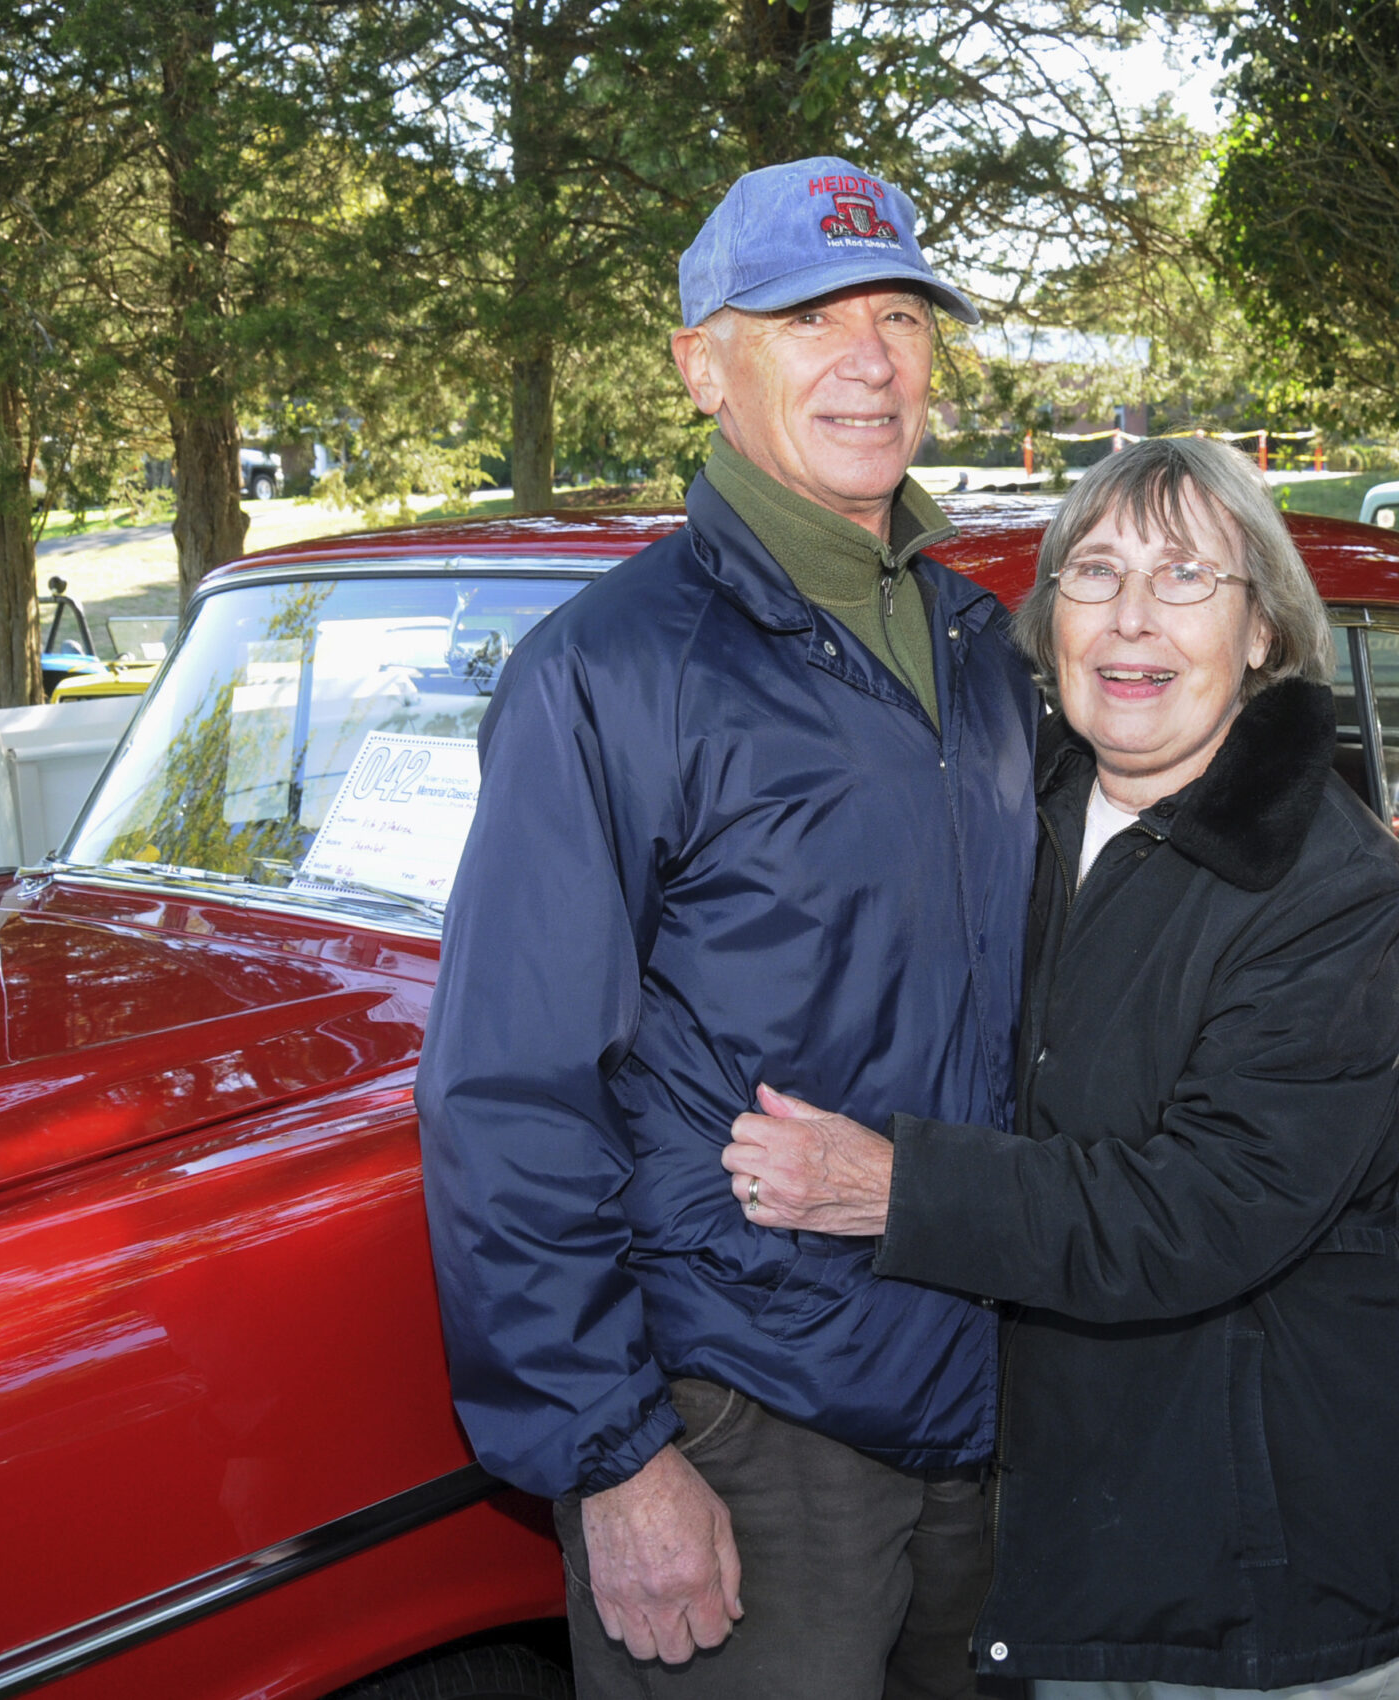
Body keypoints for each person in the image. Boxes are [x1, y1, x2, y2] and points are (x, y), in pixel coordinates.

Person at [414, 157, 1034, 1699]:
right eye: (808, 316)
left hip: (991, 1396)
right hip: (755, 1436)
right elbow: (505, 1096)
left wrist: (1338, 883)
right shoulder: (610, 677)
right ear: (703, 363)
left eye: (900, 313)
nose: (871, 357)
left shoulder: (982, 645)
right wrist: (618, 1460)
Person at [726, 436, 1399, 1698]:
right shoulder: (1020, 813)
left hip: (1256, 1569)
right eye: (1095, 571)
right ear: (1047, 618)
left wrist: (897, 1188)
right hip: (1075, 1534)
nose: (1128, 617)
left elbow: (1205, 1206)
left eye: (1183, 577)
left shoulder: (1327, 883)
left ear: (1264, 633)